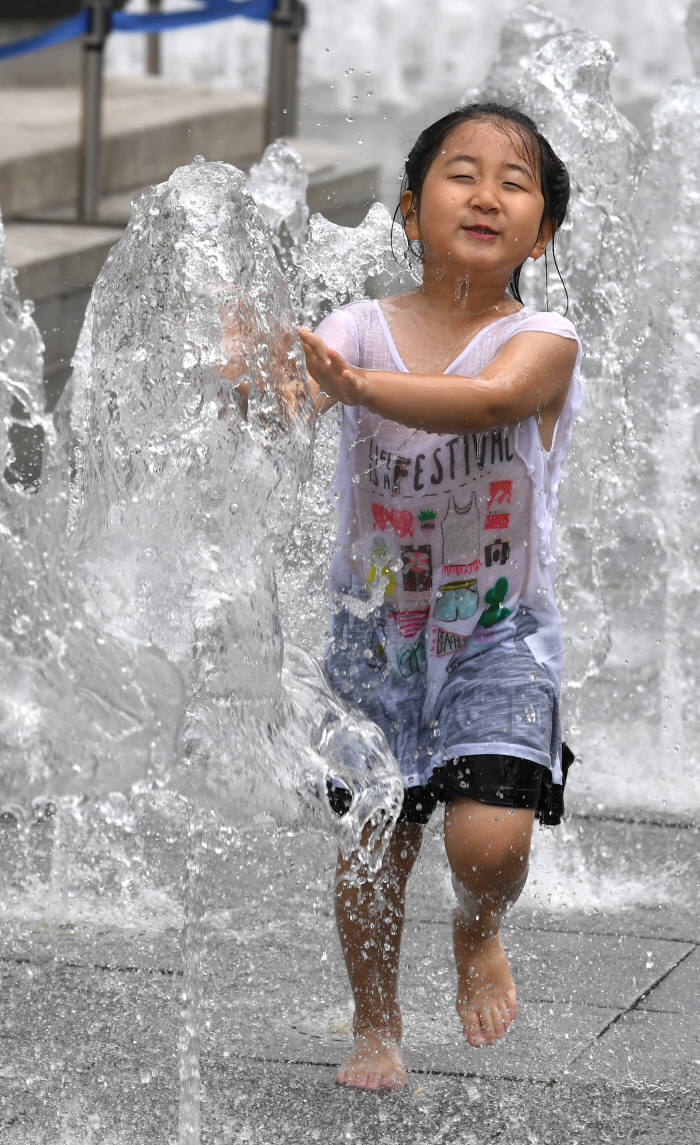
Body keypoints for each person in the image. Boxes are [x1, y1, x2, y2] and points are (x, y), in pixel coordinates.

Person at [298, 102, 583, 1091]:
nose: (488, 193)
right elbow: (299, 390)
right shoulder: (357, 329)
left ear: (540, 232)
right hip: (373, 632)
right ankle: (376, 1023)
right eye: (461, 174)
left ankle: (479, 925)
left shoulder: (542, 339)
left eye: (516, 182)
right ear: (411, 211)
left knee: (489, 837)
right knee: (372, 843)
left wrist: (359, 388)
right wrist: (267, 381)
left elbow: (493, 402)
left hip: (501, 629)